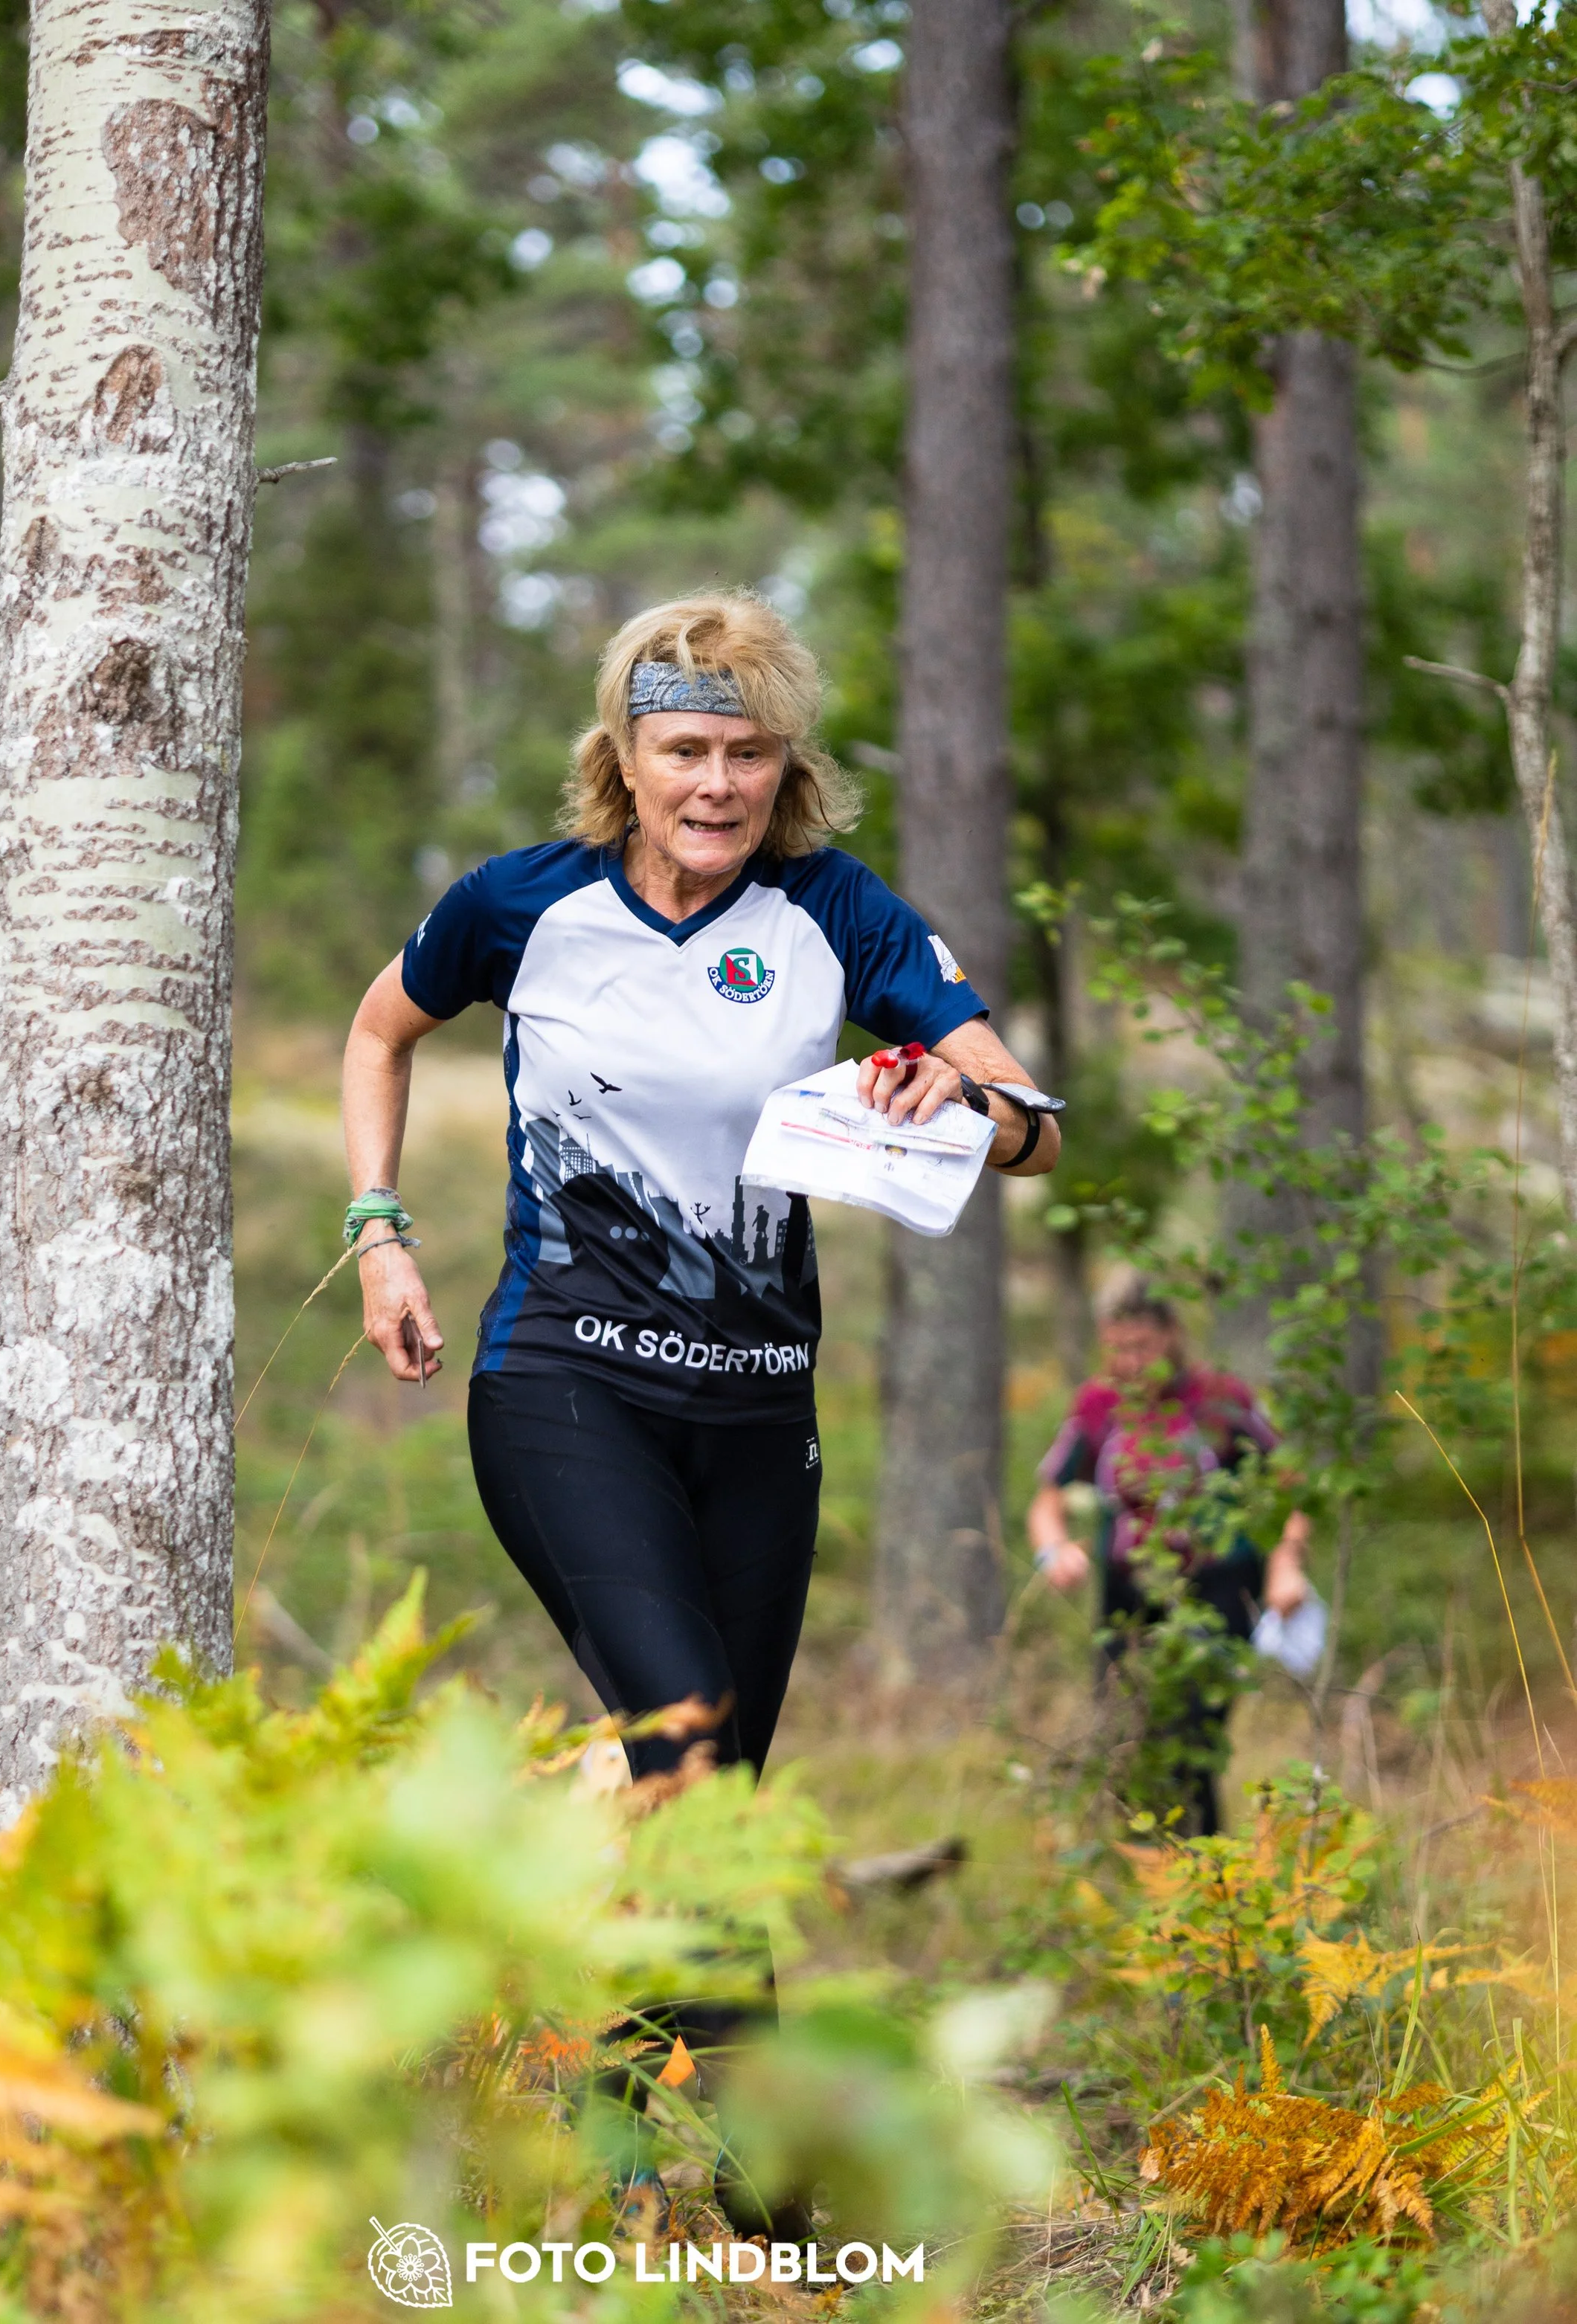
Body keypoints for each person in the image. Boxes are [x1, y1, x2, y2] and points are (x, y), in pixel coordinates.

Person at [341, 591, 1061, 1784]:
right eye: (685, 752)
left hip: (763, 1413)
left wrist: (964, 1096)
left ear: (789, 766)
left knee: (711, 1817)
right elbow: (378, 1034)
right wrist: (380, 1230)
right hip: (567, 1383)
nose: (717, 786)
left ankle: (563, 1923)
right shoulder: (523, 904)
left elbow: (1035, 1131)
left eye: (750, 754)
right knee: (688, 1754)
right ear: (624, 761)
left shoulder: (833, 909)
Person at [1027, 1272, 1311, 1832]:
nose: (1130, 1362)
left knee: (1188, 1739)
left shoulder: (1221, 1400)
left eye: (1142, 1347)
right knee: (1120, 1737)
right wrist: (1054, 1550)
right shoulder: (1098, 1404)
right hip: (1128, 1594)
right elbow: (1047, 1500)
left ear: (1173, 1336)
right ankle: (1140, 1876)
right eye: (1116, 1348)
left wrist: (1286, 1562)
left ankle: (1205, 1881)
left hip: (1217, 1590)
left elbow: (1293, 1488)